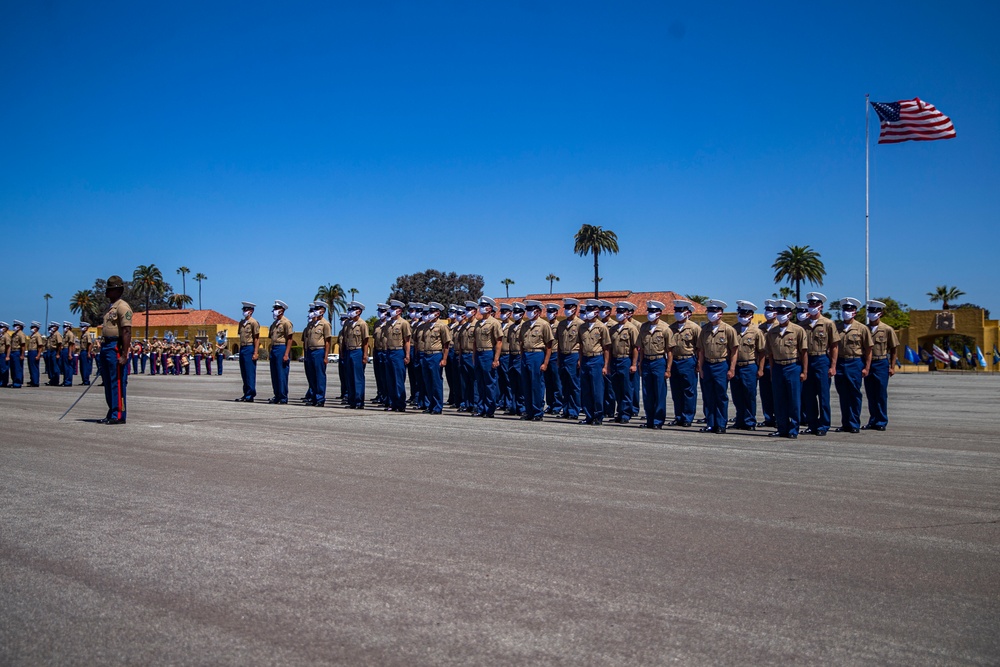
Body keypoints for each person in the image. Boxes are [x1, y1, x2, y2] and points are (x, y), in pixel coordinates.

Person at [764, 300, 808, 439]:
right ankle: (782, 427)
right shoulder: (772, 332)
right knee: (779, 399)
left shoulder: (798, 330)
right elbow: (770, 354)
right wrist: (772, 371)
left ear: (789, 314)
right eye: (779, 312)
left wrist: (804, 371)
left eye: (783, 312)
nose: (780, 315)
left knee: (794, 400)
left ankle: (793, 429)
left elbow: (804, 352)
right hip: (777, 366)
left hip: (793, 366)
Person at [696, 300, 739, 434]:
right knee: (708, 396)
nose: (711, 314)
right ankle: (710, 423)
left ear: (720, 313)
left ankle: (721, 424)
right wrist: (701, 368)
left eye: (714, 312)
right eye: (709, 311)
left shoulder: (728, 330)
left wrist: (732, 368)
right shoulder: (704, 330)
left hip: (721, 364)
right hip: (708, 365)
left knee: (720, 396)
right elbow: (701, 351)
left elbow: (734, 351)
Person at [801, 292, 839, 437]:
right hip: (807, 361)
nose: (812, 307)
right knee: (808, 395)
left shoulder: (828, 324)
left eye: (815, 305)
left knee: (823, 395)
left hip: (822, 359)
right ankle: (812, 424)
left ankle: (823, 424)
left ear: (821, 307)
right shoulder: (803, 324)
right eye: (810, 304)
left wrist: (833, 366)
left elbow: (834, 346)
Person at [833, 297, 872, 434]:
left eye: (849, 310)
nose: (846, 312)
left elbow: (868, 349)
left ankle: (854, 422)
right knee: (843, 394)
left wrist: (866, 367)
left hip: (855, 362)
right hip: (840, 363)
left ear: (854, 312)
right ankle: (845, 423)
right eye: (844, 309)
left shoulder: (861, 328)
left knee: (854, 394)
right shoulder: (836, 327)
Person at [99, 275, 132, 424]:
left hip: (115, 347)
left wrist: (124, 354)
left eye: (110, 290)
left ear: (118, 290)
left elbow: (126, 331)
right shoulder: (111, 307)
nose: (107, 293)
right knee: (107, 381)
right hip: (106, 346)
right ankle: (112, 410)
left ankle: (118, 415)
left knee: (116, 381)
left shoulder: (122, 307)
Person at [863, 299, 899, 431]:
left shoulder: (887, 329)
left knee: (881, 393)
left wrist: (892, 366)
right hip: (868, 364)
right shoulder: (864, 329)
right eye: (870, 311)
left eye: (875, 311)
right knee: (870, 393)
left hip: (881, 362)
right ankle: (872, 420)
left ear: (880, 313)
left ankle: (882, 421)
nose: (872, 313)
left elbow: (894, 348)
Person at [730, 301, 766, 431]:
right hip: (736, 366)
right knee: (737, 395)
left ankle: (750, 421)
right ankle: (739, 420)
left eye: (745, 314)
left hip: (749, 365)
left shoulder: (757, 331)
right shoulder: (733, 329)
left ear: (751, 315)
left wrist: (761, 369)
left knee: (749, 395)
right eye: (741, 314)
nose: (743, 316)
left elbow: (762, 352)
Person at [518, 300, 554, 421]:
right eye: (527, 310)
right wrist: (522, 357)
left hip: (537, 354)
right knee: (526, 385)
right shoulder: (525, 325)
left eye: (530, 310)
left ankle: (538, 412)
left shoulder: (544, 325)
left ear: (537, 311)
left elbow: (549, 345)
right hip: (526, 355)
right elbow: (521, 343)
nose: (528, 312)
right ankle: (529, 411)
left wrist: (545, 363)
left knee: (536, 385)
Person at [577, 299, 611, 425]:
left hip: (597, 359)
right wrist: (580, 361)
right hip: (585, 359)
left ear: (597, 312)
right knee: (585, 390)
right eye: (587, 310)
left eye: (591, 310)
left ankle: (598, 415)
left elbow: (606, 347)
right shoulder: (582, 327)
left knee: (597, 390)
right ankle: (588, 415)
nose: (588, 312)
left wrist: (605, 365)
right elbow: (580, 346)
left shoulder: (601, 327)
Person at [667, 300, 700, 427]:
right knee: (676, 391)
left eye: (681, 311)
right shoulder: (672, 328)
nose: (678, 314)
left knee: (688, 390)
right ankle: (679, 416)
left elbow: (699, 348)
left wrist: (698, 364)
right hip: (675, 360)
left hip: (688, 360)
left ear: (687, 312)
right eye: (676, 311)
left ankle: (688, 417)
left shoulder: (694, 328)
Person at [638, 301, 670, 430]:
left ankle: (658, 420)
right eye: (649, 311)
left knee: (659, 392)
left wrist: (668, 368)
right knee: (647, 393)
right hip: (646, 361)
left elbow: (670, 351)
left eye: (653, 312)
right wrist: (640, 364)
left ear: (659, 313)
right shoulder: (644, 327)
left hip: (659, 361)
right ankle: (650, 419)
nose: (650, 314)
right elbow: (641, 348)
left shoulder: (665, 328)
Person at [609, 301, 639, 424]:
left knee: (626, 388)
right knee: (617, 388)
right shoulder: (614, 328)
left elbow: (635, 348)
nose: (619, 314)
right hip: (615, 360)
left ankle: (626, 413)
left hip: (626, 359)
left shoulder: (632, 328)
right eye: (618, 312)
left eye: (622, 312)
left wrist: (633, 364)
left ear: (627, 314)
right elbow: (610, 348)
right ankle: (620, 412)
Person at [473, 296, 503, 418]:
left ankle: (490, 409)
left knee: (489, 383)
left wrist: (496, 359)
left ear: (490, 308)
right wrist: (474, 357)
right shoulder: (478, 323)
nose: (481, 308)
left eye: (484, 306)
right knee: (480, 382)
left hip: (488, 353)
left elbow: (499, 342)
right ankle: (481, 408)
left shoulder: (494, 323)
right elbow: (474, 341)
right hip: (479, 353)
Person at [420, 302, 452, 414]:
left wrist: (444, 358)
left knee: (436, 381)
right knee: (427, 381)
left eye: (432, 312)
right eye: (429, 311)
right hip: (426, 354)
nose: (430, 314)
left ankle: (438, 406)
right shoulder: (426, 325)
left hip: (436, 354)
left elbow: (446, 344)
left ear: (438, 313)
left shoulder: (442, 326)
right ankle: (430, 405)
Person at [556, 298, 583, 420]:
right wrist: (558, 358)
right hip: (563, 355)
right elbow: (558, 342)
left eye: (569, 308)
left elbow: (583, 343)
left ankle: (574, 410)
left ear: (575, 309)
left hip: (574, 354)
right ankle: (566, 409)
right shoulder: (561, 324)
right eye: (565, 308)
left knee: (574, 385)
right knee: (564, 384)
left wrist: (579, 359)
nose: (567, 311)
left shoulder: (581, 324)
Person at [383, 300, 412, 412]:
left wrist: (407, 355)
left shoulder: (404, 323)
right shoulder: (389, 323)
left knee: (398, 380)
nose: (391, 311)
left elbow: (407, 341)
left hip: (398, 352)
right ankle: (392, 403)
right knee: (390, 380)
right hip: (389, 352)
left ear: (399, 310)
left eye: (394, 309)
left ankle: (400, 403)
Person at [303, 301, 332, 407]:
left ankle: (320, 398)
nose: (315, 311)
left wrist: (326, 356)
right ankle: (314, 397)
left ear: (322, 311)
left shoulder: (325, 324)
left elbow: (328, 341)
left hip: (319, 350)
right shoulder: (310, 324)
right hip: (310, 351)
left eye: (317, 309)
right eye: (314, 309)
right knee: (312, 376)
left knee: (320, 376)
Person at [341, 301, 369, 409]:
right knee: (350, 377)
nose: (351, 312)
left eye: (353, 310)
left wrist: (365, 355)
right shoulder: (347, 323)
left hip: (357, 351)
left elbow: (365, 341)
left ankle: (359, 401)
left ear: (359, 311)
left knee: (358, 378)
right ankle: (351, 401)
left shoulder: (362, 324)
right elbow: (344, 338)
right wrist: (343, 351)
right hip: (348, 351)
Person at [267, 300, 294, 405]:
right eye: (274, 309)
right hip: (274, 348)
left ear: (282, 310)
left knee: (281, 374)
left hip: (282, 348)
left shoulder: (286, 323)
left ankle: (283, 397)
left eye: (276, 309)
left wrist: (286, 353)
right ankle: (277, 395)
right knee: (274, 374)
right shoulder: (274, 324)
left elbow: (290, 339)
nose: (274, 311)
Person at [757, 300, 778, 427]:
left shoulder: (779, 326)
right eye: (767, 310)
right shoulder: (761, 328)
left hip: (776, 362)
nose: (768, 313)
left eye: (771, 310)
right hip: (763, 363)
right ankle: (768, 418)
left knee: (777, 392)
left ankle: (779, 417)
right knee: (765, 393)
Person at [505, 302, 526, 416]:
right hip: (511, 355)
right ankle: (513, 406)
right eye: (514, 312)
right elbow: (509, 341)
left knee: (521, 383)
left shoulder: (525, 326)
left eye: (517, 312)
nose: (515, 314)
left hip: (520, 355)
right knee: (512, 383)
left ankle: (522, 407)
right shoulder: (511, 327)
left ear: (522, 314)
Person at [236, 301, 260, 402]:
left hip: (250, 347)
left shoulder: (254, 323)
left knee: (250, 372)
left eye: (246, 309)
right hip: (242, 348)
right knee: (244, 372)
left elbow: (256, 338)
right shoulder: (241, 323)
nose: (245, 311)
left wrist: (255, 352)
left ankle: (250, 394)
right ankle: (245, 393)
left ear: (251, 311)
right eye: (244, 309)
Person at [543, 304, 562, 414]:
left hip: (555, 354)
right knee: (548, 382)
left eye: (551, 312)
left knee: (556, 382)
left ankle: (557, 405)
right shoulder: (545, 325)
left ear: (556, 313)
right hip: (545, 355)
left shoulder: (559, 326)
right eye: (548, 312)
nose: (549, 314)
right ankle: (550, 404)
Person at [497, 303, 514, 413]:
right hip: (499, 355)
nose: (502, 314)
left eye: (505, 312)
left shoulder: (511, 326)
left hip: (508, 354)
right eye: (501, 312)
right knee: (500, 381)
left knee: (508, 381)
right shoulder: (499, 325)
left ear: (509, 313)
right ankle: (502, 402)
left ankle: (509, 403)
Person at [372, 304, 390, 407]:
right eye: (379, 311)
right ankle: (380, 394)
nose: (380, 313)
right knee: (378, 376)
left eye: (382, 311)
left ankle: (386, 397)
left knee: (386, 376)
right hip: (377, 351)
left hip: (385, 351)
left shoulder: (389, 324)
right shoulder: (377, 324)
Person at [8, 321, 27, 388]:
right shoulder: (14, 334)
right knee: (13, 368)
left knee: (17, 368)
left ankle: (18, 382)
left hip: (17, 352)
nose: (14, 327)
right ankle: (14, 381)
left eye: (15, 326)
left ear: (19, 327)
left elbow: (23, 345)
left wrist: (22, 354)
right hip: (12, 352)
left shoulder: (21, 334)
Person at [45, 322, 63, 386]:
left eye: (53, 326)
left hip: (55, 351)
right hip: (50, 351)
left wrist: (58, 354)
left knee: (55, 368)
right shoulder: (52, 335)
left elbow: (59, 344)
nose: (51, 328)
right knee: (51, 367)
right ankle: (52, 380)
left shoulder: (57, 334)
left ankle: (56, 380)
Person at [27, 322, 43, 387]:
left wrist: (38, 355)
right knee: (31, 368)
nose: (31, 328)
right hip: (30, 352)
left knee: (34, 368)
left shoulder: (37, 335)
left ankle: (35, 382)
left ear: (36, 328)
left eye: (33, 327)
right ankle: (32, 380)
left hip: (34, 352)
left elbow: (40, 346)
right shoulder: (32, 335)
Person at [60, 321, 77, 387]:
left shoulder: (70, 334)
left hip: (67, 350)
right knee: (65, 367)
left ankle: (68, 382)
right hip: (64, 350)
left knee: (68, 367)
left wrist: (70, 354)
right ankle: (65, 380)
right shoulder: (66, 334)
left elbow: (71, 344)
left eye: (65, 327)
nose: (64, 328)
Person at [0, 322, 10, 387]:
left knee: (4, 369)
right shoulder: (1, 335)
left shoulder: (6, 336)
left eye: (1, 327)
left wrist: (7, 356)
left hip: (3, 354)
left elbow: (8, 347)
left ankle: (4, 382)